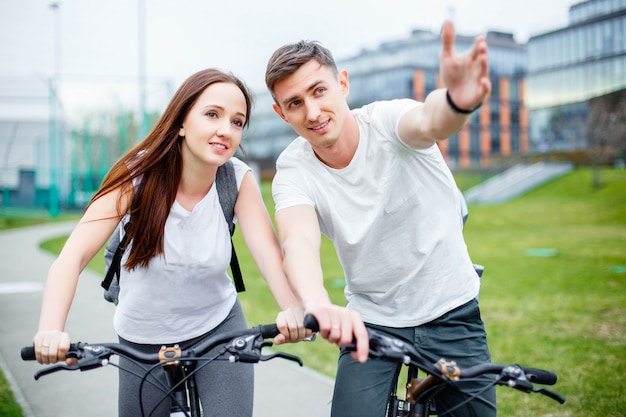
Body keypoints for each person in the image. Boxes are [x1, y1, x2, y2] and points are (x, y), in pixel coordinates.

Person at [31, 68, 304, 417]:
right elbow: (72, 257)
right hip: (142, 335)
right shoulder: (134, 178)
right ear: (180, 123)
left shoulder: (236, 180)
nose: (226, 129)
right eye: (212, 114)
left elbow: (268, 256)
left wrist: (293, 309)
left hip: (218, 327)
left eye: (237, 122)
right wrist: (51, 329)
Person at [265, 21, 496, 417]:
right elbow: (297, 241)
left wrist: (458, 101)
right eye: (295, 103)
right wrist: (319, 306)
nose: (313, 112)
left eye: (319, 91)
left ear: (342, 84)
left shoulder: (390, 121)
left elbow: (429, 121)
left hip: (450, 306)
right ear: (281, 113)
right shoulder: (293, 168)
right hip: (371, 320)